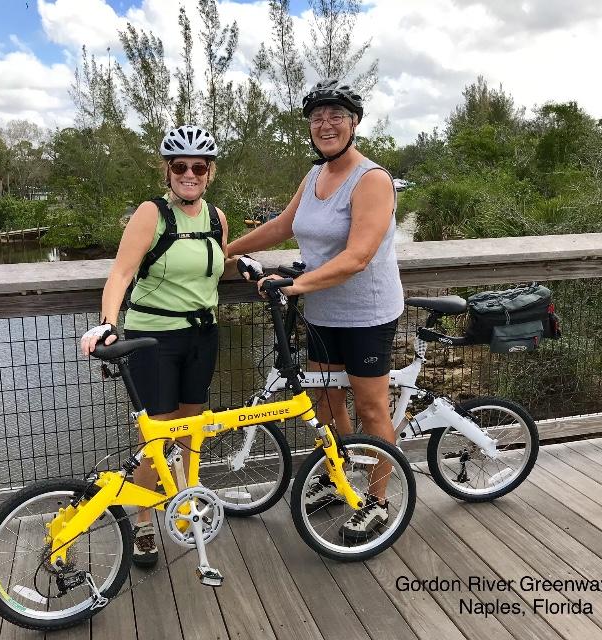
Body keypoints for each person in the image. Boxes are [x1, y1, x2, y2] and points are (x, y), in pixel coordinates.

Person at [228, 78, 404, 540]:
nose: (325, 125)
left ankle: (380, 500)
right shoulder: (314, 176)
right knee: (325, 402)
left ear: (354, 124)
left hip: (367, 313)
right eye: (317, 118)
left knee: (370, 408)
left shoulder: (372, 180)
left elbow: (359, 255)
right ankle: (339, 474)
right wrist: (224, 250)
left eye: (336, 117)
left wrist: (296, 283)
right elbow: (284, 225)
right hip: (323, 312)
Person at [80, 124, 232, 568]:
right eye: (180, 166)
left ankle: (186, 502)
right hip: (154, 339)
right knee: (158, 436)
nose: (189, 174)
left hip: (203, 335)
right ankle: (143, 519)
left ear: (210, 173)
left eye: (198, 167)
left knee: (192, 429)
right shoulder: (150, 214)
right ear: (167, 172)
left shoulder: (216, 218)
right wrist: (108, 323)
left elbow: (217, 264)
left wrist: (252, 267)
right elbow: (120, 275)